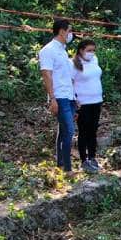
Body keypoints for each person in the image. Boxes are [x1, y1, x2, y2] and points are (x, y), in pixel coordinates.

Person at [39, 19, 76, 173]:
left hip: (69, 96)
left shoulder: (63, 50)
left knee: (63, 131)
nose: (71, 34)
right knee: (69, 131)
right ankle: (68, 169)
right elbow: (46, 75)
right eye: (69, 31)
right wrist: (52, 99)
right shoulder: (48, 50)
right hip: (59, 97)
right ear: (62, 31)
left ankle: (60, 164)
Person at [71, 39, 103, 173]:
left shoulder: (94, 60)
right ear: (81, 50)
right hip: (83, 103)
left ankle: (92, 157)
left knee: (93, 131)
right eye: (89, 50)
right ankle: (84, 160)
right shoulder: (73, 64)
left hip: (97, 101)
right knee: (84, 132)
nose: (92, 53)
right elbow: (69, 81)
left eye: (93, 50)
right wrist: (74, 98)